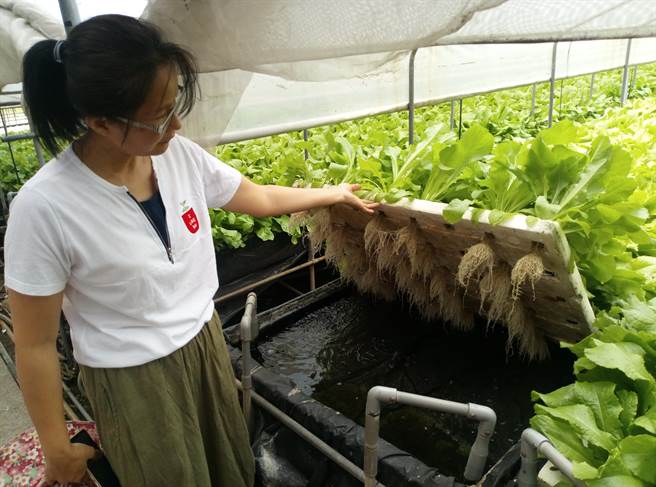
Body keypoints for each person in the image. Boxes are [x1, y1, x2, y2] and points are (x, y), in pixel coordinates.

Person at [5, 14, 376, 487]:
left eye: (175, 101)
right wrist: (56, 449)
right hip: (134, 380)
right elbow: (35, 344)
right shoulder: (45, 206)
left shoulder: (179, 157)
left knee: (228, 467)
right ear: (99, 122)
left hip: (203, 345)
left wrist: (334, 193)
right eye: (158, 115)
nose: (177, 124)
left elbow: (257, 198)